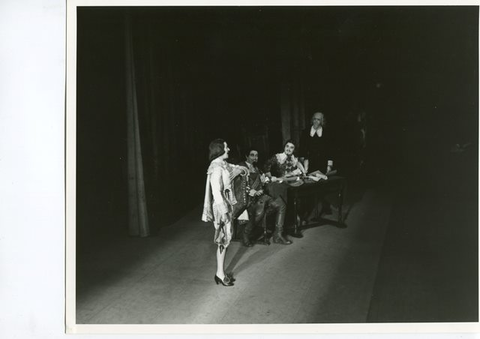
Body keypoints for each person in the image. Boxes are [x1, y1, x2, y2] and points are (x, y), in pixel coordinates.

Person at [202, 139, 248, 286]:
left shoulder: (223, 164)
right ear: (219, 150)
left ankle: (220, 272)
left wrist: (241, 169)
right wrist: (223, 212)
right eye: (226, 148)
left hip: (226, 206)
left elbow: (236, 168)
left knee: (225, 240)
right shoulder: (216, 168)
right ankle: (220, 274)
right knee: (223, 240)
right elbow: (216, 192)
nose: (228, 150)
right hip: (221, 208)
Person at [238, 148, 290, 246]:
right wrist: (251, 191)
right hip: (247, 199)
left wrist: (267, 180)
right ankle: (245, 234)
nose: (255, 157)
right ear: (246, 156)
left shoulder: (257, 168)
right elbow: (238, 184)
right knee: (259, 212)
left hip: (261, 196)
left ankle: (277, 235)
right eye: (252, 155)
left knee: (281, 204)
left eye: (256, 155)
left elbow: (262, 181)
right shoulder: (241, 167)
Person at [264, 140, 306, 239]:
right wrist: (270, 177)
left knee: (297, 196)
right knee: (285, 199)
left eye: (291, 147)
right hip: (279, 184)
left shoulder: (295, 159)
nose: (289, 149)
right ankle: (281, 227)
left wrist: (299, 172)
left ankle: (293, 223)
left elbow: (301, 171)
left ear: (294, 150)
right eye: (287, 146)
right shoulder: (278, 157)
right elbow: (266, 165)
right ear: (284, 147)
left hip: (290, 183)